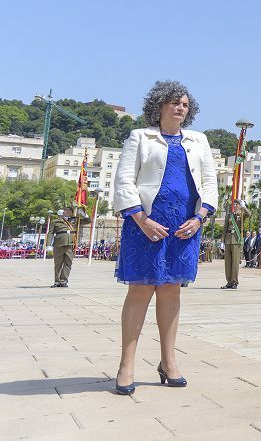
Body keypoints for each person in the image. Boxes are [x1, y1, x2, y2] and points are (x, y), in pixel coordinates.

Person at [111, 81, 218, 395]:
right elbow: (124, 180)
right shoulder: (140, 138)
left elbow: (210, 182)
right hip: (144, 222)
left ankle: (168, 361)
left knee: (171, 289)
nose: (180, 107)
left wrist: (200, 218)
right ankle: (126, 364)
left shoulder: (199, 141)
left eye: (184, 103)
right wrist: (141, 219)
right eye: (173, 102)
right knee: (141, 290)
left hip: (184, 225)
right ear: (158, 107)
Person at [50, 205, 88, 287]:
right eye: (66, 210)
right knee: (58, 264)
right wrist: (48, 245)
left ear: (71, 213)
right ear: (63, 212)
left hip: (70, 245)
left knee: (68, 264)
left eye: (69, 211)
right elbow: (50, 233)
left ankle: (64, 281)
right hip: (58, 244)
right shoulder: (56, 221)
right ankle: (57, 281)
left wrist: (84, 214)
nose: (67, 212)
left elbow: (89, 221)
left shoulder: (75, 220)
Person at [221, 199, 245, 289]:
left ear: (239, 206)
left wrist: (244, 207)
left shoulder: (242, 215)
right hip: (228, 240)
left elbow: (249, 214)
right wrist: (222, 241)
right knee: (228, 263)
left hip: (236, 240)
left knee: (235, 263)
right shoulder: (229, 215)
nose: (235, 206)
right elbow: (225, 229)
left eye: (237, 204)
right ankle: (229, 282)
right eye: (234, 204)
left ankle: (234, 281)